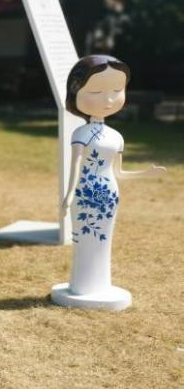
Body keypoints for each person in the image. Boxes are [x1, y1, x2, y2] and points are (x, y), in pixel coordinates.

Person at [52, 55, 166, 310]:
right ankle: (82, 285)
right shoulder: (80, 133)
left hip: (109, 196)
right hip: (85, 195)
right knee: (85, 241)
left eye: (117, 91)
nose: (109, 99)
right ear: (76, 93)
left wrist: (146, 173)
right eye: (96, 92)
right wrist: (69, 195)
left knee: (104, 241)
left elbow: (119, 172)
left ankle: (100, 284)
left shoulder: (116, 136)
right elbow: (75, 166)